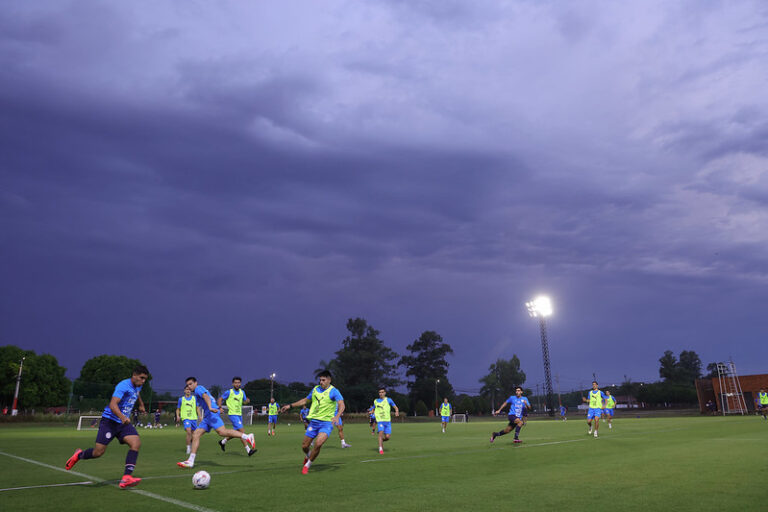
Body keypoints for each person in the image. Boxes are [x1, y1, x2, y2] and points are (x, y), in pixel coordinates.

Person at [65, 365, 149, 489]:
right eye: (141, 378)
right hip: (110, 422)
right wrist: (122, 417)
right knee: (98, 452)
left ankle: (126, 478)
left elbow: (138, 393)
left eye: (145, 379)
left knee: (136, 443)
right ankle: (78, 455)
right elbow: (113, 405)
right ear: (134, 375)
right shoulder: (123, 386)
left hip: (123, 424)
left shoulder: (138, 385)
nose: (143, 381)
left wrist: (141, 404)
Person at [176, 377, 256, 468]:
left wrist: (210, 407)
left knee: (222, 432)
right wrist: (217, 408)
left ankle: (247, 436)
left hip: (211, 414)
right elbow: (210, 398)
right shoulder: (200, 390)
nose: (189, 387)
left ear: (195, 383)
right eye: (188, 385)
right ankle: (190, 461)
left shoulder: (198, 388)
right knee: (196, 434)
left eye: (190, 384)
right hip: (208, 416)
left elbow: (206, 397)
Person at [280, 370, 344, 474]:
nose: (321, 382)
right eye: (320, 380)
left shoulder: (334, 391)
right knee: (304, 446)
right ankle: (309, 455)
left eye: (323, 380)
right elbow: (305, 400)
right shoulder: (315, 389)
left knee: (318, 444)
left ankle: (307, 465)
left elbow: (342, 404)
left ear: (329, 380)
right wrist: (290, 406)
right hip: (313, 423)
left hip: (326, 423)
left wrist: (337, 416)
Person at [216, 376, 252, 454]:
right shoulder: (229, 392)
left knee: (236, 432)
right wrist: (220, 407)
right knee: (242, 432)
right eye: (235, 383)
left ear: (240, 383)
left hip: (239, 415)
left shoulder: (242, 392)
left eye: (238, 382)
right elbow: (220, 399)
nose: (237, 384)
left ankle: (223, 442)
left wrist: (247, 401)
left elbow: (244, 402)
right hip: (233, 414)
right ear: (233, 384)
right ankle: (248, 450)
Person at [373, 387, 399, 454]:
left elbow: (395, 407)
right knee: (381, 433)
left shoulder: (389, 400)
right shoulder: (375, 401)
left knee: (387, 437)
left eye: (382, 392)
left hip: (387, 421)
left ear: (385, 393)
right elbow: (373, 409)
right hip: (380, 421)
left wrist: (396, 411)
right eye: (379, 392)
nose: (381, 393)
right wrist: (371, 412)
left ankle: (381, 441)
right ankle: (380, 449)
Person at [176, 386, 201, 455]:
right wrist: (178, 415)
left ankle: (192, 446)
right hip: (185, 418)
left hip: (193, 418)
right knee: (189, 432)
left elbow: (197, 408)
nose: (188, 391)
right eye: (187, 389)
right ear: (184, 391)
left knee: (194, 434)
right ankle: (188, 448)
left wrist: (200, 416)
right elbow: (178, 409)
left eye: (189, 389)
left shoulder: (194, 398)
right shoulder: (181, 399)